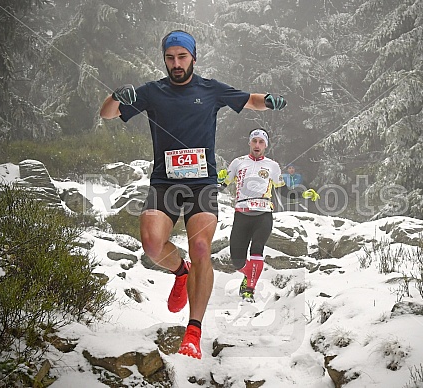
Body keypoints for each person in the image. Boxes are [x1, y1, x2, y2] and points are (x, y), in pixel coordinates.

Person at [99, 30, 287, 359]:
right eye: (170, 58)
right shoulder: (152, 92)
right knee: (152, 246)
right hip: (164, 183)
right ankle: (180, 272)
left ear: (193, 58)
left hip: (202, 184)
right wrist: (116, 96)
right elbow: (107, 113)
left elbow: (249, 100)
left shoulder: (210, 89)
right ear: (164, 60)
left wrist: (268, 101)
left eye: (182, 57)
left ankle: (193, 331)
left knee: (201, 246)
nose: (176, 64)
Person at [217, 128, 284, 302]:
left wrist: (303, 194)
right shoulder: (238, 162)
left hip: (263, 214)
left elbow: (283, 189)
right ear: (249, 143)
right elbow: (221, 186)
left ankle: (249, 290)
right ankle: (249, 274)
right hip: (242, 214)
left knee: (257, 250)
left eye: (261, 142)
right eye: (254, 141)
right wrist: (218, 179)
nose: (257, 145)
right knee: (237, 261)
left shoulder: (272, 166)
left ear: (266, 145)